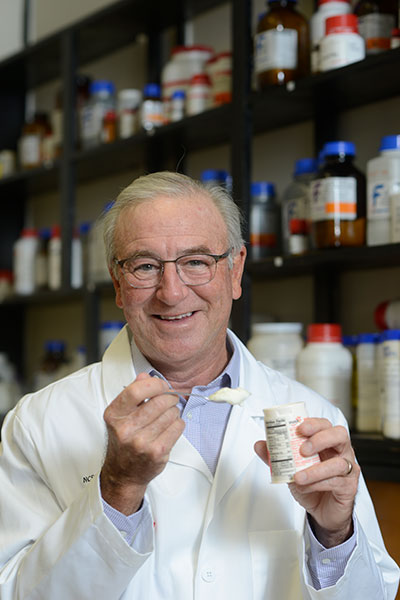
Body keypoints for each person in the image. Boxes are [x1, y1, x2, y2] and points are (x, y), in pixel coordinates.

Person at [0, 171, 398, 599]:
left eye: (196, 262)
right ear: (118, 284)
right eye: (145, 266)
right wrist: (116, 490)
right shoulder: (39, 423)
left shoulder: (313, 415)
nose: (171, 293)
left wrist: (334, 535)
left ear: (235, 270)